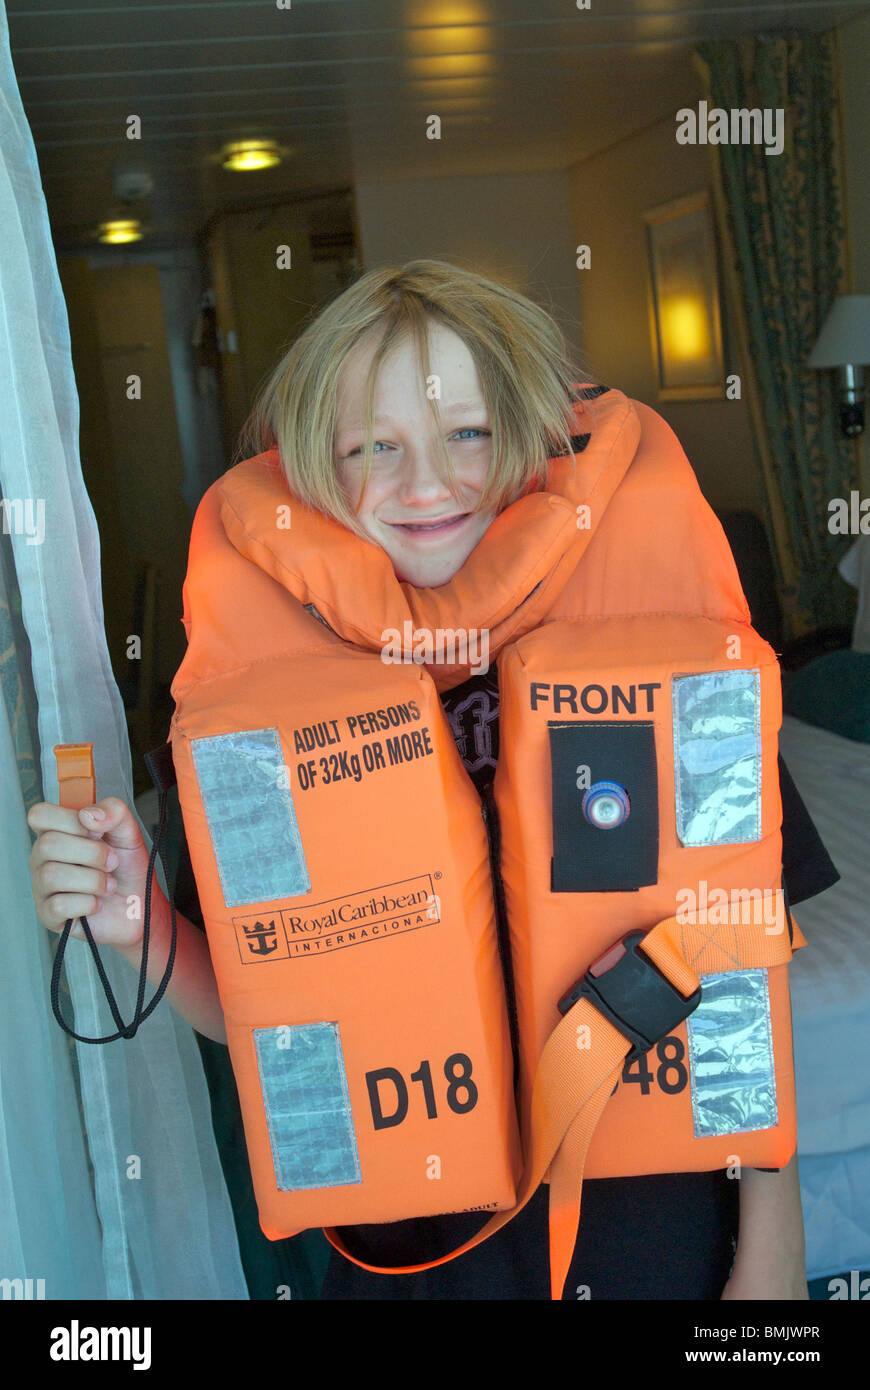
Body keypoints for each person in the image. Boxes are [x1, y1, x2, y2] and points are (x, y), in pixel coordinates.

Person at [28, 260, 839, 1300]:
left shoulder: (668, 661)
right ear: (313, 475)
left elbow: (743, 979)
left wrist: (771, 1261)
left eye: (469, 434)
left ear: (539, 440)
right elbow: (268, 1016)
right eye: (374, 449)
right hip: (421, 1265)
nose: (427, 485)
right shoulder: (259, 715)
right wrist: (137, 922)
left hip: (664, 1242)